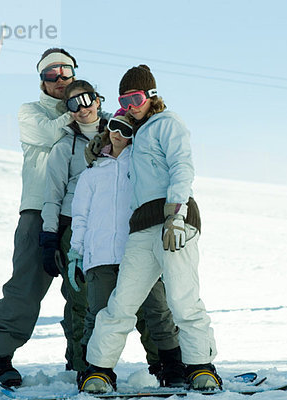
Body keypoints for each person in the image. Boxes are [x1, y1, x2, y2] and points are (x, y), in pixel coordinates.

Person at [80, 65, 222, 393]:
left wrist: (176, 215)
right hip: (142, 228)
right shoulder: (137, 131)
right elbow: (115, 149)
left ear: (152, 96)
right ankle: (99, 370)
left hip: (175, 220)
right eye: (124, 100)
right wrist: (100, 145)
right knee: (122, 303)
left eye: (136, 98)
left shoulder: (166, 123)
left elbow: (182, 167)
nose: (131, 105)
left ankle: (201, 367)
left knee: (183, 299)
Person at [0, 48, 79, 387]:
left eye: (65, 71)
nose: (60, 78)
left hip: (80, 214)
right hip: (38, 209)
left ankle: (84, 363)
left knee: (83, 291)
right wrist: (80, 112)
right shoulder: (31, 112)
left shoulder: (92, 112)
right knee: (25, 288)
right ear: (42, 81)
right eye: (51, 74)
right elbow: (50, 134)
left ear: (74, 73)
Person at [67, 114, 184, 392]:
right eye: (114, 127)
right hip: (102, 256)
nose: (119, 133)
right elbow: (81, 216)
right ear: (107, 130)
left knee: (157, 311)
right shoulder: (92, 173)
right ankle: (93, 372)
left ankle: (171, 368)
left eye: (127, 129)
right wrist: (76, 253)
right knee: (98, 315)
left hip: (139, 253)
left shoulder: (141, 166)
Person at [39, 79, 110, 377]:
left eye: (87, 99)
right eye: (73, 103)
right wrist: (49, 236)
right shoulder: (64, 147)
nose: (83, 108)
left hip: (110, 224)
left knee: (129, 296)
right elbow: (52, 196)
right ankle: (82, 365)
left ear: (98, 100)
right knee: (79, 297)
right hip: (74, 227)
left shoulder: (119, 134)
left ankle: (162, 363)